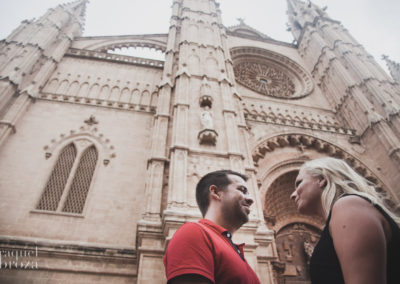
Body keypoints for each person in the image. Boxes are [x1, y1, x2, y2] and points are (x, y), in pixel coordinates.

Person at [290, 157, 400, 284]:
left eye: (299, 183)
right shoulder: (348, 209)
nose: (292, 195)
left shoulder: (348, 206)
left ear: (321, 180)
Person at [164, 170, 260, 284]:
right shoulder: (195, 233)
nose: (251, 199)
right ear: (216, 192)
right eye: (242, 190)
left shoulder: (235, 251)